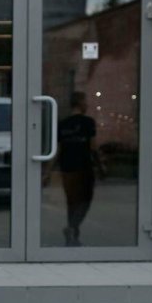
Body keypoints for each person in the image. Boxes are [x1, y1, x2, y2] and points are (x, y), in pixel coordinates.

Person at [55, 91, 97, 246]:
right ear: (80, 103)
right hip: (83, 166)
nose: (87, 104)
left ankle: (73, 232)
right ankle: (72, 227)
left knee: (72, 202)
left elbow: (58, 149)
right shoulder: (88, 122)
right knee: (85, 199)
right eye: (85, 101)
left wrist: (47, 171)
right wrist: (101, 165)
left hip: (66, 167)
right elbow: (93, 146)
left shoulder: (62, 124)